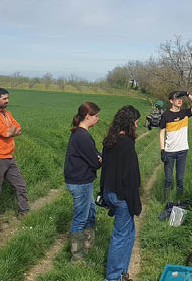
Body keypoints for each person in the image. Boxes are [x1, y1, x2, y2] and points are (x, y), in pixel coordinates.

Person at [100, 105, 142, 281]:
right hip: (122, 195)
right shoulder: (127, 145)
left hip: (110, 192)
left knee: (129, 233)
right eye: (136, 122)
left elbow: (105, 171)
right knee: (120, 236)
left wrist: (103, 193)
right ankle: (114, 277)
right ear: (129, 123)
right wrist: (135, 203)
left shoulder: (111, 140)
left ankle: (122, 273)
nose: (137, 126)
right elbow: (131, 178)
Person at [0, 87, 30, 231]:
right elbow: (6, 132)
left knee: (20, 185)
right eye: (4, 99)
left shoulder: (7, 113)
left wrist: (11, 131)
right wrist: (10, 131)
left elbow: (18, 128)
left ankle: (24, 212)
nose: (7, 101)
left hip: (9, 157)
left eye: (7, 98)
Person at [63, 102, 102, 263]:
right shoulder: (82, 136)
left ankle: (87, 244)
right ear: (87, 116)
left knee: (90, 213)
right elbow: (95, 161)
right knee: (80, 218)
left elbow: (94, 154)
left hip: (82, 181)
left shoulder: (80, 133)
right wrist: (99, 160)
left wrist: (98, 157)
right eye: (96, 116)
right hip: (80, 182)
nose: (98, 119)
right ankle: (77, 257)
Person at [159, 91, 192, 204]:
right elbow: (162, 133)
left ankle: (178, 201)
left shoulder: (185, 113)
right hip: (169, 152)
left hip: (183, 151)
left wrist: (188, 94)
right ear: (171, 101)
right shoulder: (165, 115)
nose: (179, 100)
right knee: (168, 179)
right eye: (176, 98)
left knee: (180, 180)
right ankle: (166, 202)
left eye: (180, 98)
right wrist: (162, 150)